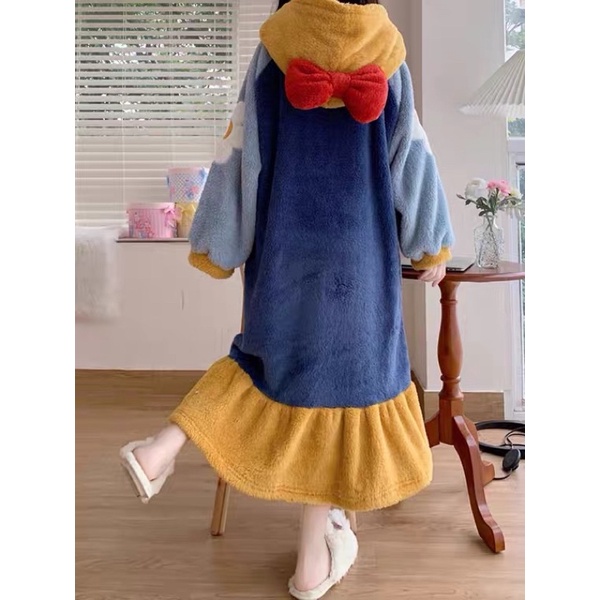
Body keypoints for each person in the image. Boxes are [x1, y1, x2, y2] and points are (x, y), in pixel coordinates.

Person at [120, 0, 454, 598]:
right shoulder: (390, 56)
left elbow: (238, 155)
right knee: (343, 394)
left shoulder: (272, 54)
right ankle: (311, 563)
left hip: (284, 255)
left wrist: (219, 245)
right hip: (360, 261)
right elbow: (413, 158)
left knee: (260, 366)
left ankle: (160, 449)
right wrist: (430, 244)